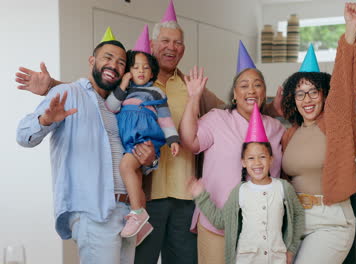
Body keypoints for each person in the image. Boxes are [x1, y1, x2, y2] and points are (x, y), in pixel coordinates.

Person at [14, 3, 282, 263]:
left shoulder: (193, 88)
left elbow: (234, 109)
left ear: (183, 50)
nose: (171, 47)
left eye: (177, 43)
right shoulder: (130, 83)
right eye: (165, 41)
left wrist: (271, 106)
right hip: (144, 195)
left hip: (184, 196)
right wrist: (53, 85)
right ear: (152, 46)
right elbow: (95, 94)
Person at [16, 39, 156, 264]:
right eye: (107, 58)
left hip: (128, 213)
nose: (114, 65)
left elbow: (125, 153)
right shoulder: (68, 93)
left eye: (121, 63)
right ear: (92, 61)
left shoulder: (119, 106)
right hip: (95, 211)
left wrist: (148, 160)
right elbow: (23, 136)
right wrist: (45, 120)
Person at [179, 41, 285, 264]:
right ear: (235, 94)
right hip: (216, 221)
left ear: (264, 92)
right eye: (244, 85)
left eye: (257, 85)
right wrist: (193, 98)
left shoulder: (276, 129)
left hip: (261, 228)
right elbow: (190, 141)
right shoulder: (217, 118)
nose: (251, 90)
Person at [280, 2, 356, 263]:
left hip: (330, 222)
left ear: (324, 95)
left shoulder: (335, 123)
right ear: (293, 99)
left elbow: (344, 83)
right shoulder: (290, 134)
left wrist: (350, 31)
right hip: (294, 223)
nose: (307, 98)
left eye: (313, 91)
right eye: (300, 93)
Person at [187, 103, 304, 264]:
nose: (257, 163)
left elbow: (298, 215)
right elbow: (221, 221)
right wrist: (201, 196)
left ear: (271, 159)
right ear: (243, 162)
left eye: (262, 157)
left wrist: (291, 249)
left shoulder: (283, 188)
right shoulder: (239, 192)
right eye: (251, 158)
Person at [104, 25, 180, 240]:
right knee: (135, 177)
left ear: (152, 71)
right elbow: (111, 106)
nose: (140, 71)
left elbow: (165, 118)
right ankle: (142, 225)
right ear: (128, 70)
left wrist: (172, 139)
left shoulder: (155, 91)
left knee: (126, 167)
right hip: (127, 140)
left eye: (145, 68)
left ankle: (137, 213)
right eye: (135, 67)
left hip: (144, 137)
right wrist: (123, 84)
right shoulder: (123, 92)